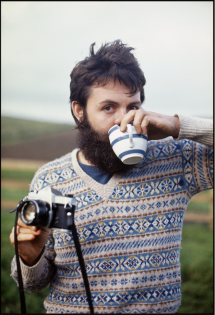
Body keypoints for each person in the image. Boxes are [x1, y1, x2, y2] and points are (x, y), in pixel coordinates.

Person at [10, 40, 213, 314]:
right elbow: (32, 284)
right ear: (79, 111)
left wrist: (177, 125)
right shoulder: (50, 178)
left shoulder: (174, 160)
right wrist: (30, 256)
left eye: (132, 107)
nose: (124, 120)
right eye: (108, 108)